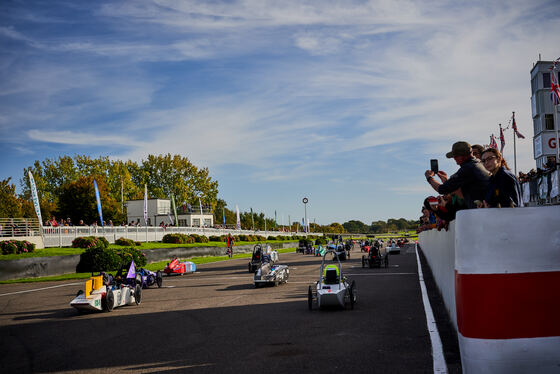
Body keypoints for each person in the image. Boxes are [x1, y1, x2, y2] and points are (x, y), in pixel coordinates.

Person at [425, 141, 490, 209]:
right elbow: (463, 195)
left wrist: (429, 178)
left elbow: (442, 189)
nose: (454, 158)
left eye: (455, 156)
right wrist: (447, 181)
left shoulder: (467, 168)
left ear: (463, 156)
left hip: (483, 211)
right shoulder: (479, 163)